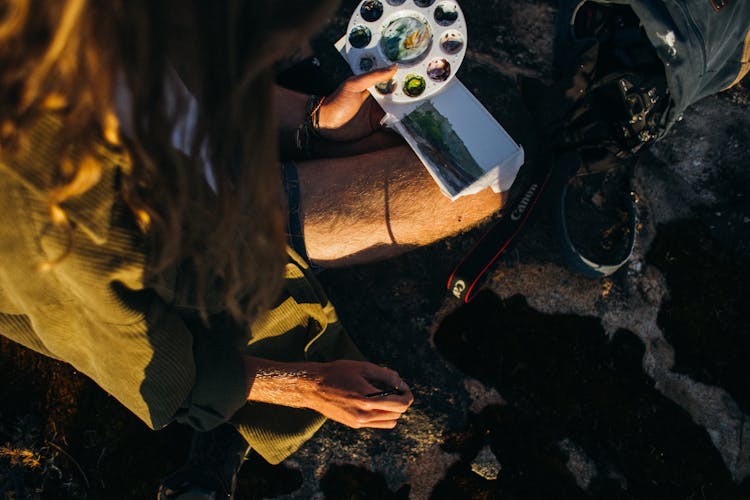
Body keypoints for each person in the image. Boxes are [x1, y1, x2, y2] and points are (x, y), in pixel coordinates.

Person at [0, 0, 504, 497]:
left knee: (427, 141)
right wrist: (310, 385)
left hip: (192, 155)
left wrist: (313, 121)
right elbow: (154, 371)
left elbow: (166, 83)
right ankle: (218, 433)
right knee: (486, 185)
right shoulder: (44, 202)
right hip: (203, 229)